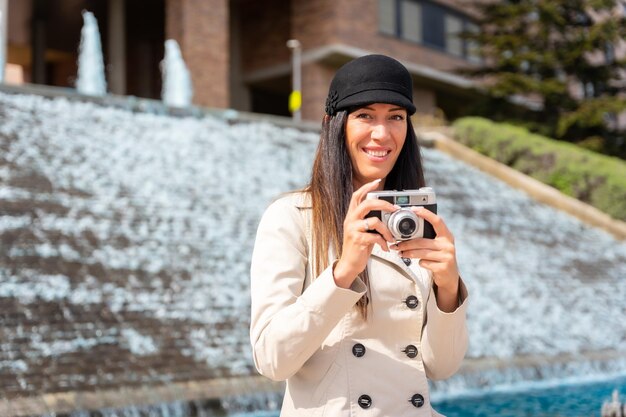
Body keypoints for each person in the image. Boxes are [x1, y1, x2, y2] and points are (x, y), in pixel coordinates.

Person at [250, 54, 468, 417]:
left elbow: (441, 367)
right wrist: (343, 272)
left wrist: (448, 290)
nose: (382, 134)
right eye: (365, 115)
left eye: (396, 117)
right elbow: (272, 359)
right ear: (335, 124)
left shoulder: (415, 220)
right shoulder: (292, 218)